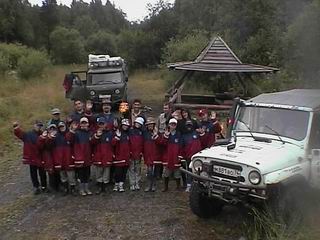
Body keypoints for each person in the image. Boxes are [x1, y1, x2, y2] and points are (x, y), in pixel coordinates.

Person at [13, 120, 48, 194]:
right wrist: (16, 128)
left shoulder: (43, 134)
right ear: (34, 125)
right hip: (32, 158)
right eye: (37, 125)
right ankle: (36, 187)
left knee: (42, 173)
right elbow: (19, 134)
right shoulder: (28, 134)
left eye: (40, 126)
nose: (39, 127)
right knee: (33, 173)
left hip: (41, 157)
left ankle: (44, 187)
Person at [67, 117, 93, 196]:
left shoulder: (90, 133)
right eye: (82, 123)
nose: (84, 124)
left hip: (88, 157)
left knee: (87, 174)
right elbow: (69, 139)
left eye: (85, 123)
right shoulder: (76, 133)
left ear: (88, 124)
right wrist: (72, 131)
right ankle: (81, 189)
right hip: (79, 158)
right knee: (81, 175)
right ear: (80, 124)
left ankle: (87, 188)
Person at [49, 121, 76, 196]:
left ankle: (73, 189)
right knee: (63, 177)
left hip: (69, 159)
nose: (62, 128)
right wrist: (50, 137)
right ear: (58, 128)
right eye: (60, 127)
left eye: (63, 126)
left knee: (71, 176)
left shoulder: (70, 134)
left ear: (65, 126)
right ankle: (66, 189)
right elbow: (49, 146)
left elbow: (75, 144)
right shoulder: (55, 136)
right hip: (60, 160)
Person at [91, 117, 113, 194]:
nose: (101, 126)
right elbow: (92, 143)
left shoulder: (110, 133)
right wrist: (97, 136)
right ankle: (100, 187)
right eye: (100, 124)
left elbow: (113, 144)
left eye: (103, 124)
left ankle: (105, 187)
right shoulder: (95, 132)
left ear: (105, 124)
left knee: (106, 173)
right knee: (99, 173)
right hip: (98, 156)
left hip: (107, 156)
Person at [160, 118, 183, 192]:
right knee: (166, 173)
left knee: (177, 172)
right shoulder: (166, 134)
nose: (173, 126)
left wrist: (180, 155)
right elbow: (163, 144)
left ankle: (178, 186)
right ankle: (165, 187)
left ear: (176, 125)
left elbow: (181, 146)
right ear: (169, 125)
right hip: (168, 156)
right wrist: (166, 137)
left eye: (174, 124)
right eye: (171, 124)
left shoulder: (179, 134)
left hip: (176, 156)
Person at [181, 120, 202, 192]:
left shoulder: (196, 133)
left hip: (197, 157)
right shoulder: (183, 136)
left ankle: (198, 185)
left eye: (190, 125)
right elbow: (182, 147)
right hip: (188, 156)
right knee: (189, 171)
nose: (189, 127)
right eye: (187, 126)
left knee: (198, 171)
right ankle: (189, 185)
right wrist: (183, 157)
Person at [112, 118, 131, 192]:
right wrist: (117, 137)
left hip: (126, 156)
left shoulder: (128, 134)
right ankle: (116, 184)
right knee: (118, 172)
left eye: (127, 126)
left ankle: (121, 184)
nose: (125, 127)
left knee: (124, 171)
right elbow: (112, 144)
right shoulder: (116, 133)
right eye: (124, 125)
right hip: (118, 156)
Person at [143, 117, 161, 192]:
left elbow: (161, 143)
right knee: (149, 171)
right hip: (148, 155)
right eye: (149, 125)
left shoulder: (158, 133)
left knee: (155, 172)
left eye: (151, 125)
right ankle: (149, 184)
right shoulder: (144, 133)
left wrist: (156, 137)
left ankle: (153, 185)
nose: (150, 126)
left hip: (156, 155)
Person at [128, 117, 144, 191]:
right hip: (131, 153)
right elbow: (128, 143)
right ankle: (132, 183)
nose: (138, 125)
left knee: (138, 168)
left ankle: (137, 182)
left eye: (140, 124)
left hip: (138, 153)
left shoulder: (141, 132)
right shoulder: (130, 131)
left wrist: (141, 152)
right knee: (131, 168)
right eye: (137, 123)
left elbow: (142, 143)